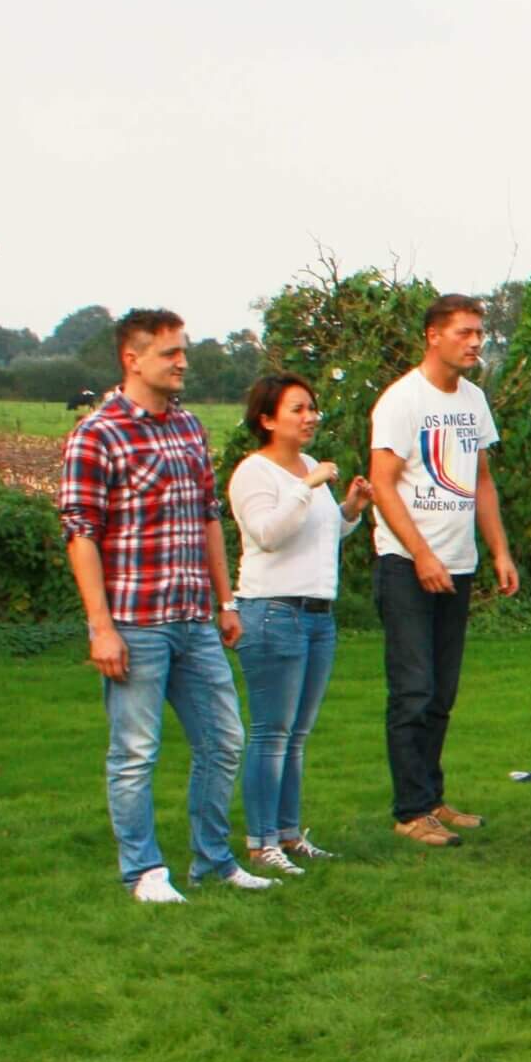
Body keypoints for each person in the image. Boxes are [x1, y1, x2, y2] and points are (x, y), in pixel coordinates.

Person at [58, 308, 270, 902]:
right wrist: (101, 627)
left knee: (224, 740)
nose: (183, 362)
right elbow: (82, 534)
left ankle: (213, 860)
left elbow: (207, 518)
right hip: (134, 624)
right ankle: (144, 872)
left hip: (193, 621)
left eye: (183, 351)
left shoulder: (189, 427)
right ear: (133, 359)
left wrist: (224, 601)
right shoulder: (98, 433)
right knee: (135, 753)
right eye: (171, 353)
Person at [368, 293, 519, 848]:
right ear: (433, 336)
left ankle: (432, 799)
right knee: (412, 690)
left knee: (441, 692)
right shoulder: (402, 401)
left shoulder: (474, 399)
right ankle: (410, 811)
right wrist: (421, 555)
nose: (476, 341)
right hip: (407, 564)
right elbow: (382, 483)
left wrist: (499, 550)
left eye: (479, 332)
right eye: (464, 332)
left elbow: (481, 481)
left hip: (459, 563)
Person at [229, 372, 373, 875]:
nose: (310, 416)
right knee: (270, 734)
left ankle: (288, 836)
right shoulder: (254, 473)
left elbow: (319, 537)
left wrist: (350, 511)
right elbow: (268, 534)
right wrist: (306, 488)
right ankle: (260, 841)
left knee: (296, 735)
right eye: (297, 409)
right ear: (267, 419)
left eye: (312, 407)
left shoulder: (309, 466)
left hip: (316, 617)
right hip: (272, 613)